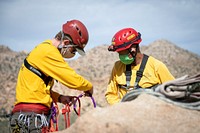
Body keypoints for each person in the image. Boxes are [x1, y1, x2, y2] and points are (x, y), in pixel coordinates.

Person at [9, 19, 93, 132]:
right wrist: (89, 87)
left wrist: (59, 98)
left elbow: (37, 88)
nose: (74, 54)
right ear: (66, 43)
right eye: (74, 50)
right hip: (32, 118)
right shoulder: (49, 52)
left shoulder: (44, 48)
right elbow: (71, 79)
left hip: (24, 116)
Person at [105, 28, 175, 105]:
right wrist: (120, 108)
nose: (121, 56)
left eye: (123, 52)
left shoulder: (157, 66)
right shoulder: (117, 67)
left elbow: (173, 91)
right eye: (119, 53)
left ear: (133, 48)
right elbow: (111, 94)